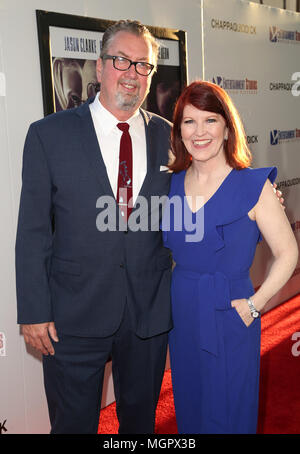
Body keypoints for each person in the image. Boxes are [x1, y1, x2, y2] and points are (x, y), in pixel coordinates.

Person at [15, 20, 173, 434]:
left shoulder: (170, 138)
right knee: (72, 426)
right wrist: (33, 310)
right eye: (121, 60)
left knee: (140, 427)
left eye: (143, 65)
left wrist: (260, 199)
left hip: (147, 314)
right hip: (72, 315)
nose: (132, 73)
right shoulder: (49, 135)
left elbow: (205, 195)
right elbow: (32, 231)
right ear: (100, 66)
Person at [162, 81, 298, 434]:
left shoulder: (253, 186)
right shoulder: (169, 184)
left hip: (232, 310)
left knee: (230, 409)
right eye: (189, 122)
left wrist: (257, 304)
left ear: (227, 127)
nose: (199, 132)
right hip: (183, 312)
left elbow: (288, 253)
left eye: (210, 120)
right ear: (179, 131)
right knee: (190, 404)